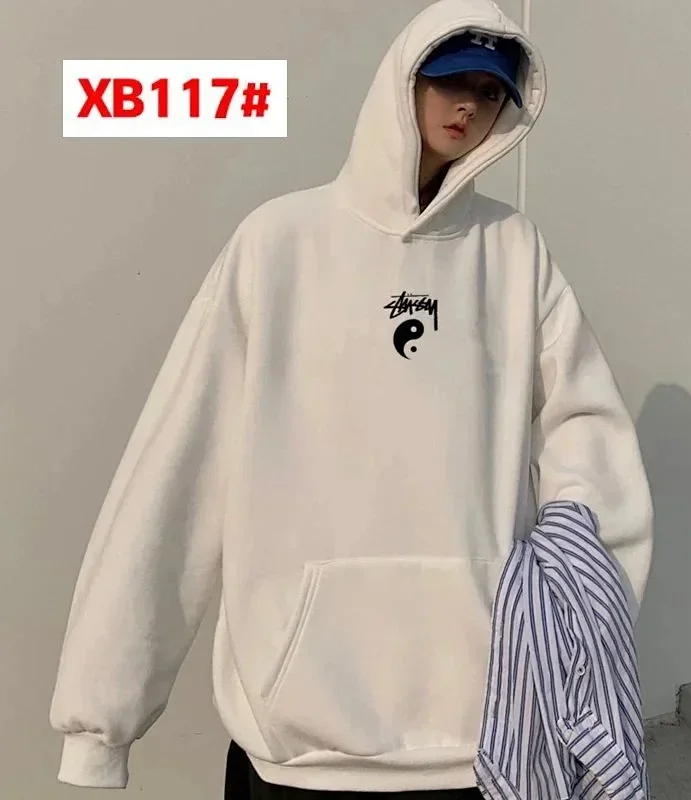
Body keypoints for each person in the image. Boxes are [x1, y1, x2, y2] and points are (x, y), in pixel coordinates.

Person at [49, 0, 654, 798]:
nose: (468, 106)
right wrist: (100, 724)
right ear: (403, 83)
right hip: (299, 749)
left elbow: (590, 438)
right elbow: (178, 471)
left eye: (489, 90)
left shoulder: (512, 250)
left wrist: (568, 606)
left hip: (476, 737)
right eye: (450, 82)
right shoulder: (280, 242)